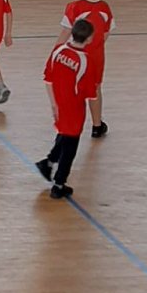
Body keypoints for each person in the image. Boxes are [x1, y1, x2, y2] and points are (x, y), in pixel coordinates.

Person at [37, 18, 98, 198]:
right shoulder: (86, 60)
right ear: (89, 38)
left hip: (58, 103)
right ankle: (59, 184)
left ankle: (48, 163)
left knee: (64, 134)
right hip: (74, 108)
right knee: (70, 146)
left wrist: (53, 103)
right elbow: (90, 92)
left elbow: (47, 78)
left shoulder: (58, 50)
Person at [55, 0, 113, 137]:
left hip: (75, 57)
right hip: (96, 57)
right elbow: (106, 33)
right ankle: (97, 125)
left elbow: (66, 31)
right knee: (95, 89)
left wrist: (56, 51)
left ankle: (69, 124)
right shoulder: (104, 7)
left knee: (72, 89)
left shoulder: (74, 7)